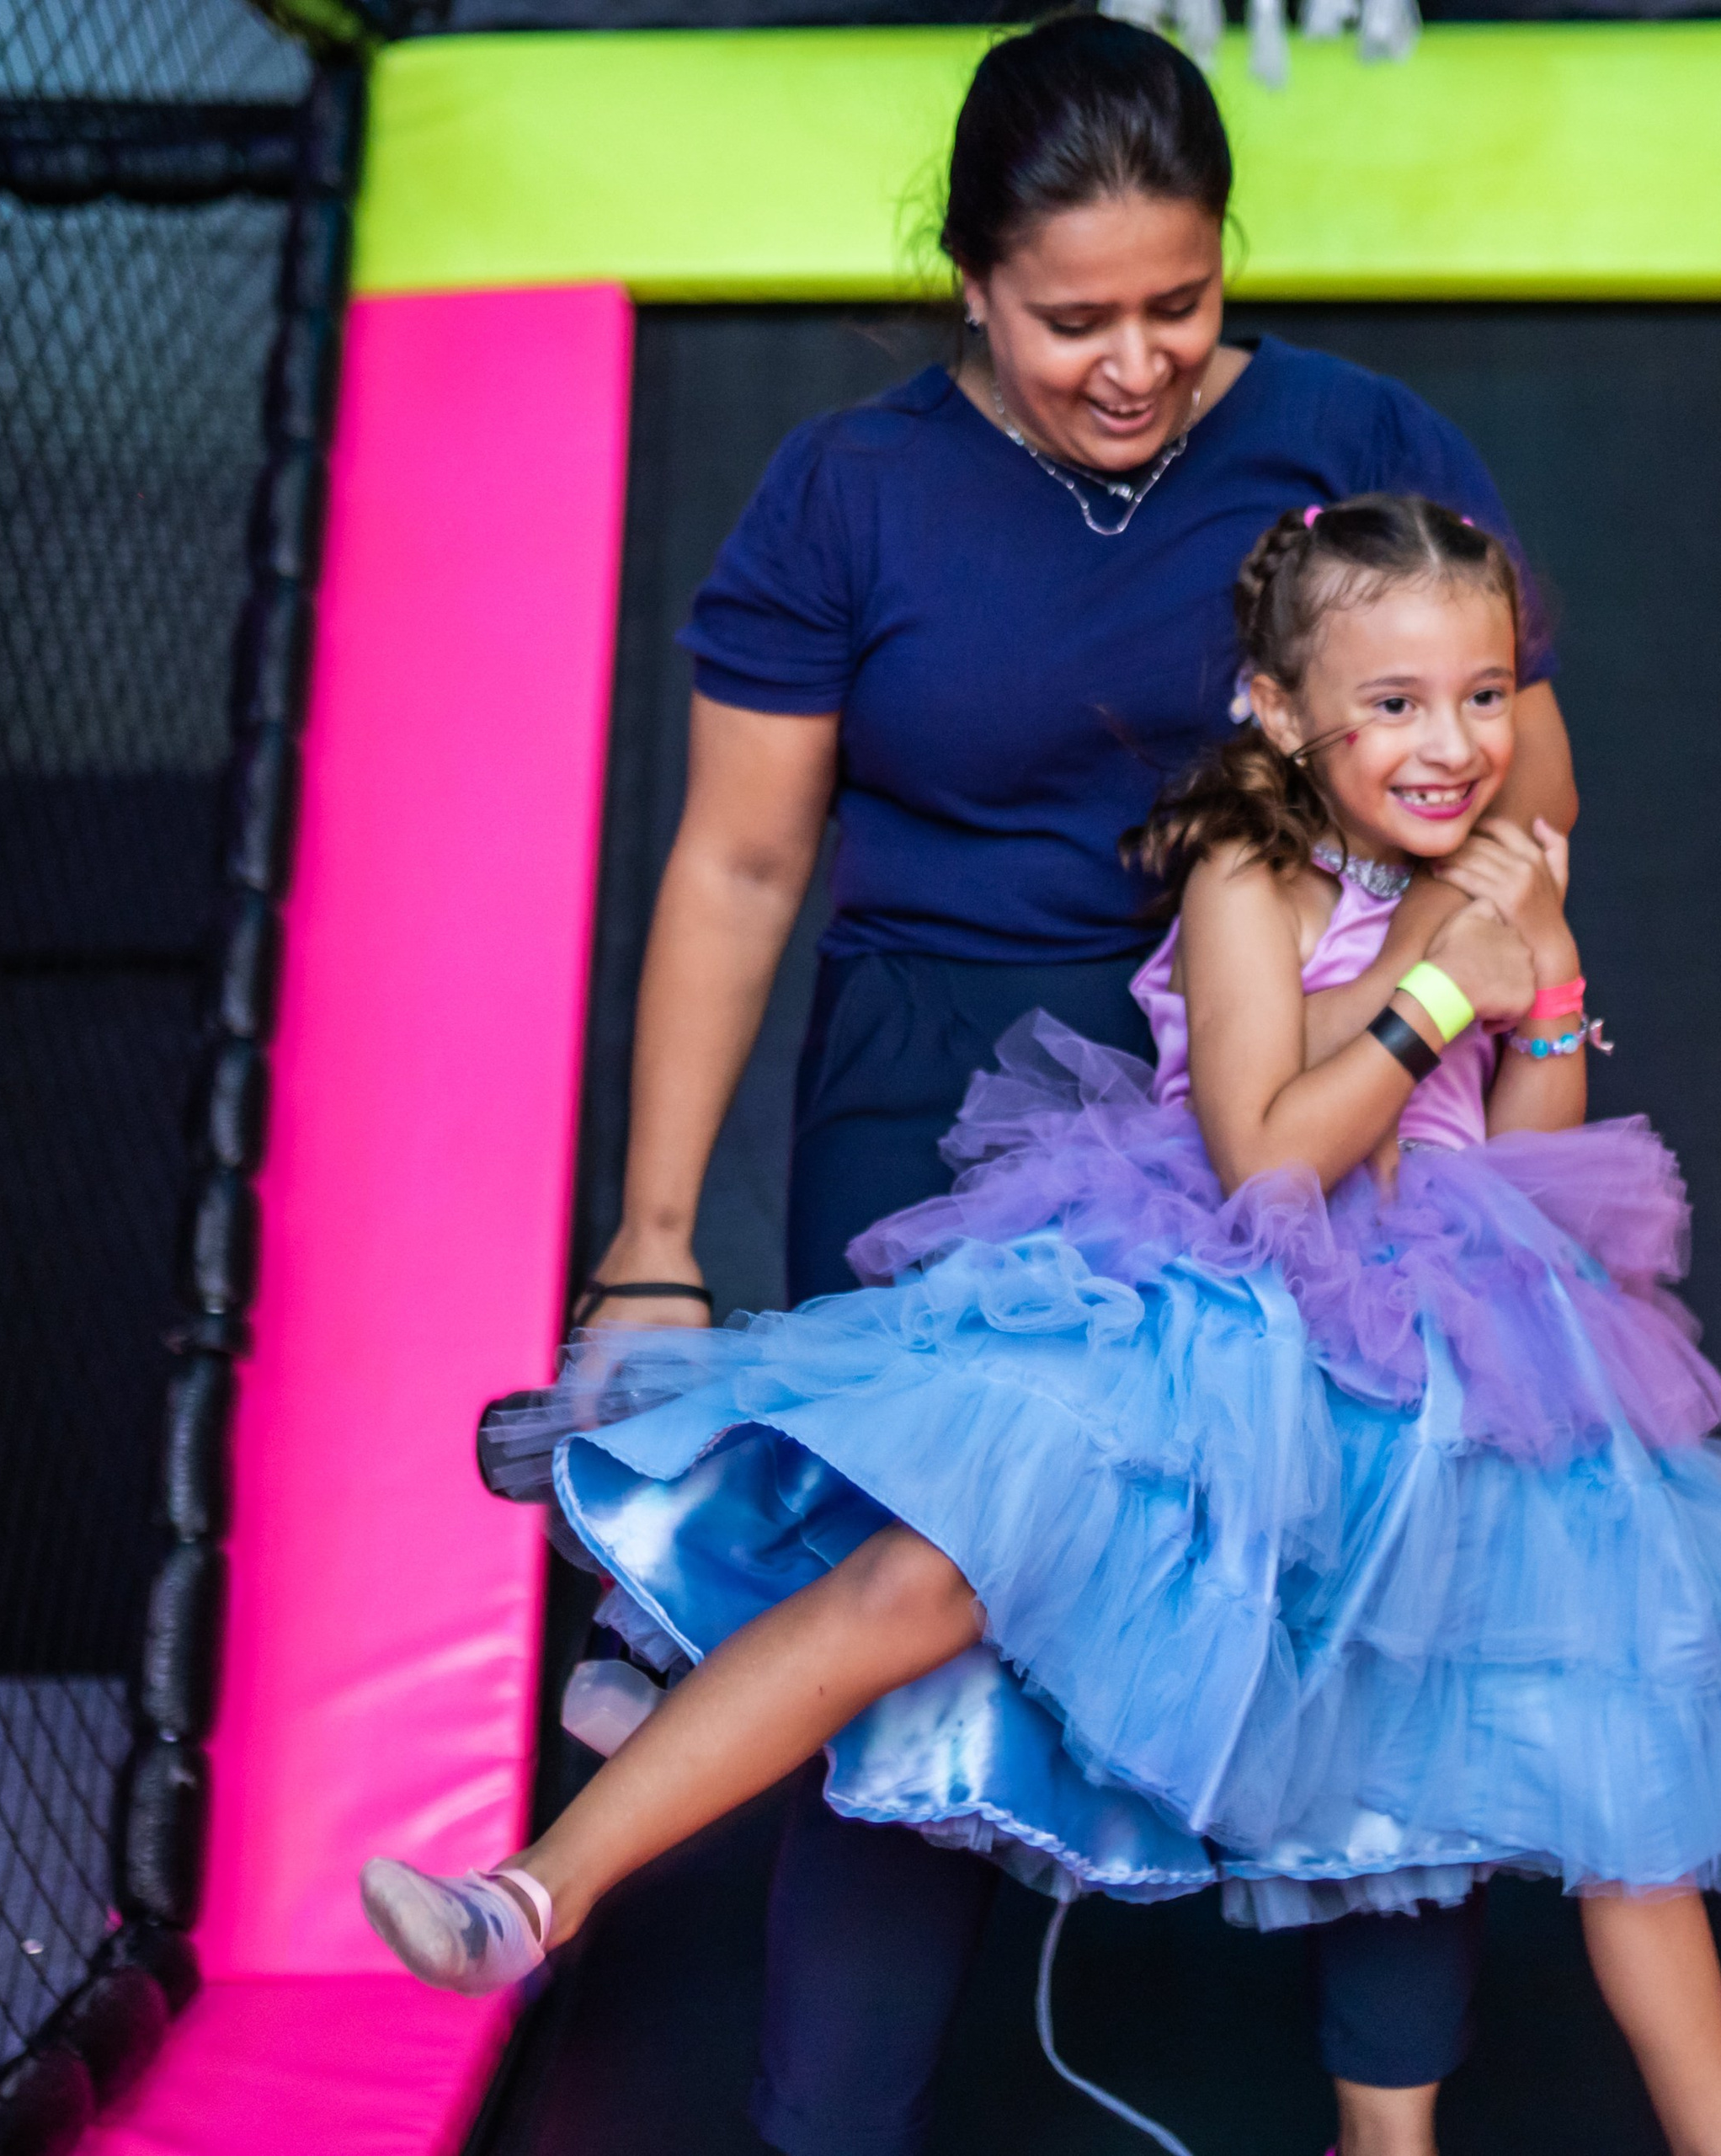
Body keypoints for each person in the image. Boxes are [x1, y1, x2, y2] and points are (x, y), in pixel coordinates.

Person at [365, 495, 1721, 2156]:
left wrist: (1536, 975)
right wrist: (1432, 977)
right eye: (1395, 702)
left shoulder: (1501, 879)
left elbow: (1550, 1164)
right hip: (1218, 1317)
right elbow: (1268, 1151)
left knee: (1586, 1759)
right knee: (923, 1572)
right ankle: (532, 1891)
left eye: (1483, 693)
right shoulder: (1247, 870)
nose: (1451, 742)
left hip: (1447, 1359)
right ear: (1279, 710)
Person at [500, 14, 1576, 2155]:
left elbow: (1511, 775)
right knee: (922, 1605)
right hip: (941, 1070)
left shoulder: (1353, 436)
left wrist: (1474, 993)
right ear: (970, 285)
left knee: (1366, 1585)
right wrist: (647, 1236)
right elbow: (734, 861)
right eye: (1072, 315)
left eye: (1177, 304)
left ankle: (1392, 2129)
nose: (1132, 358)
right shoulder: (849, 488)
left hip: (1278, 1059)